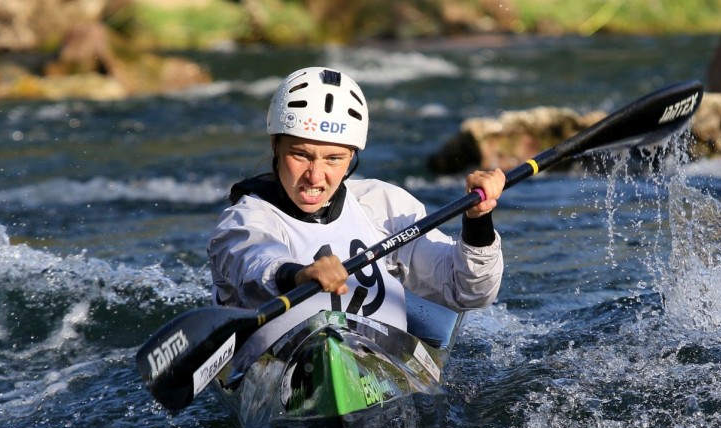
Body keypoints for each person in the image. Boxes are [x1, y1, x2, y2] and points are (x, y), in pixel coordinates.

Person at [207, 66, 505, 350]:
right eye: (300, 155)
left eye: (333, 158)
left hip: (378, 358)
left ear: (351, 156)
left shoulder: (383, 205)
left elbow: (470, 292)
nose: (315, 175)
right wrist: (298, 275)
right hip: (284, 361)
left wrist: (477, 221)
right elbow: (255, 261)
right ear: (276, 146)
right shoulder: (244, 220)